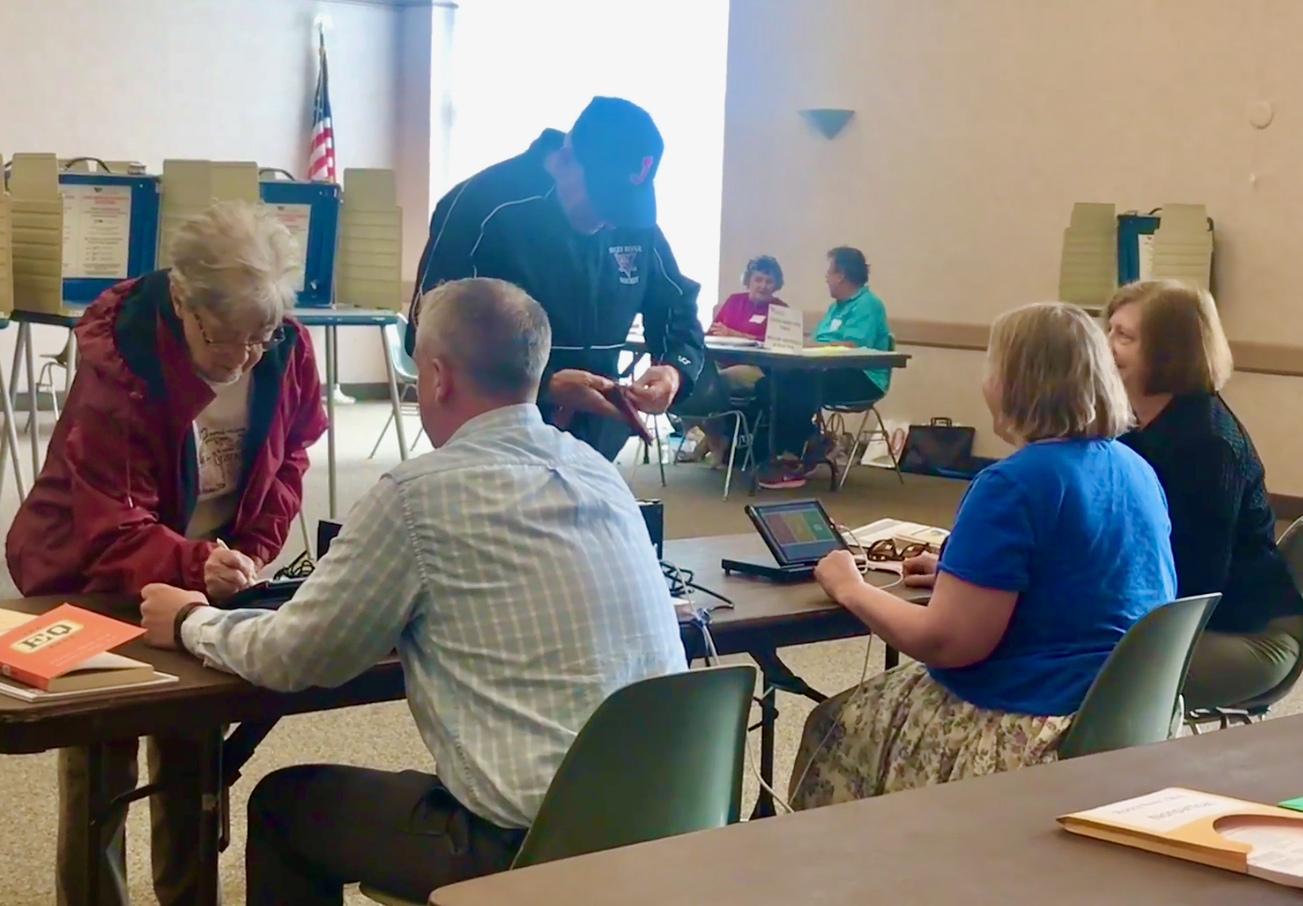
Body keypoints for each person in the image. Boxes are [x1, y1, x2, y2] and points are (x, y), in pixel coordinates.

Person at [138, 277, 687, 905]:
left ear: (435, 376)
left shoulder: (418, 494)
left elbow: (298, 656)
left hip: (532, 848)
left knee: (284, 805)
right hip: (671, 826)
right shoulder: (601, 474)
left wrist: (190, 621)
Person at [5, 200, 328, 906]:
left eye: (262, 336)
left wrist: (242, 555)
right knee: (103, 759)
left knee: (195, 754)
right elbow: (109, 523)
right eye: (227, 338)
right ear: (182, 300)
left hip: (204, 575)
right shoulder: (118, 367)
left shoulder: (284, 347)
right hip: (88, 572)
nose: (246, 355)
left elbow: (292, 453)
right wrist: (193, 565)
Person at [788, 302, 1176, 809]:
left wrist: (849, 587)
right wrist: (964, 578)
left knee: (834, 726)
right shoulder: (1136, 469)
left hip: (1033, 720)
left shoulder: (1011, 483)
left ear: (1016, 381)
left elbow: (948, 643)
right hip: (1123, 712)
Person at [406, 95, 705, 461]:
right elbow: (428, 335)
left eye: (623, 208)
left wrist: (673, 372)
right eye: (603, 203)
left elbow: (676, 306)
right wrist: (544, 384)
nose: (611, 222)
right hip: (495, 443)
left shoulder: (631, 222)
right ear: (565, 160)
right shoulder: (481, 206)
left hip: (595, 446)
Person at [1106, 280, 1303, 710]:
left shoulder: (1207, 445)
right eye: (1109, 330)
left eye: (1124, 336)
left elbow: (1194, 585)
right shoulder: (1130, 424)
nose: (1106, 346)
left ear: (1169, 349)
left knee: (1070, 660)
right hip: (1183, 617)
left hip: (1246, 635)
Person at [757, 247, 893, 489]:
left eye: (829, 272)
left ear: (840, 275)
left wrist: (810, 348)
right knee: (769, 383)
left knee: (794, 386)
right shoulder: (835, 307)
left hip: (862, 378)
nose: (826, 278)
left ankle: (794, 458)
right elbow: (820, 342)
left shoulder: (868, 305)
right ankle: (809, 442)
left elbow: (852, 345)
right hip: (827, 371)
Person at [675, 255, 786, 463]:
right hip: (721, 362)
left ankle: (714, 444)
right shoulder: (735, 301)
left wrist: (735, 334)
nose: (763, 286)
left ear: (776, 285)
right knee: (689, 380)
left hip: (755, 369)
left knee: (713, 385)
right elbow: (713, 333)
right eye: (758, 279)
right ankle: (714, 441)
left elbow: (774, 344)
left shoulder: (781, 310)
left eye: (769, 281)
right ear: (748, 281)